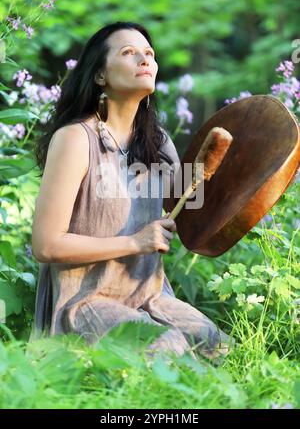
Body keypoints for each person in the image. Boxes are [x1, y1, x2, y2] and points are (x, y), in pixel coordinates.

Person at [30, 21, 234, 362]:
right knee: (167, 348)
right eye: (129, 52)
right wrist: (134, 242)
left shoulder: (159, 143)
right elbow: (45, 244)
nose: (145, 59)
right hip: (85, 301)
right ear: (100, 76)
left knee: (216, 345)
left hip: (150, 295)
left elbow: (191, 212)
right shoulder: (76, 139)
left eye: (149, 54)